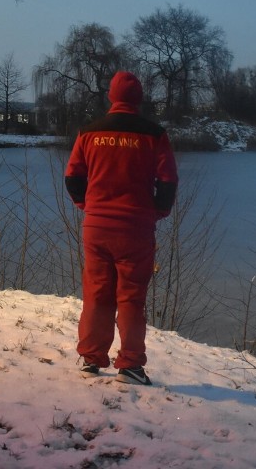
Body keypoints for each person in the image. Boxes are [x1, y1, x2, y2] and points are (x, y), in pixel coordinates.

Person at [64, 71, 178, 385]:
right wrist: (158, 211)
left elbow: (73, 178)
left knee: (97, 294)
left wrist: (86, 206)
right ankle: (130, 366)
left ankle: (90, 358)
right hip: (136, 228)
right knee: (130, 297)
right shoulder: (154, 134)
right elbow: (167, 180)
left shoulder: (89, 132)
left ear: (111, 97)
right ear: (138, 98)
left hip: (97, 227)